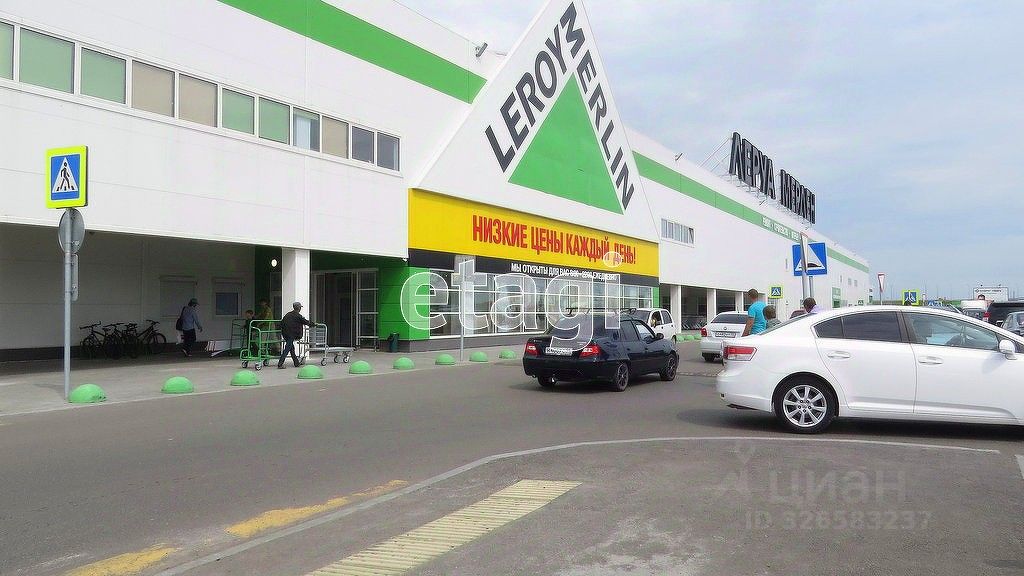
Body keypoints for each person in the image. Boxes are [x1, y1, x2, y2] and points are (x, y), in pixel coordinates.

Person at [278, 301, 312, 369]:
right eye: (300, 307)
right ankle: (280, 364)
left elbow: (281, 323)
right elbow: (306, 322)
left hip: (285, 334)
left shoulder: (287, 315)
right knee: (287, 349)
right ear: (299, 308)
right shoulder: (298, 316)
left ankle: (296, 363)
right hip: (292, 334)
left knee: (291, 348)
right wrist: (314, 324)